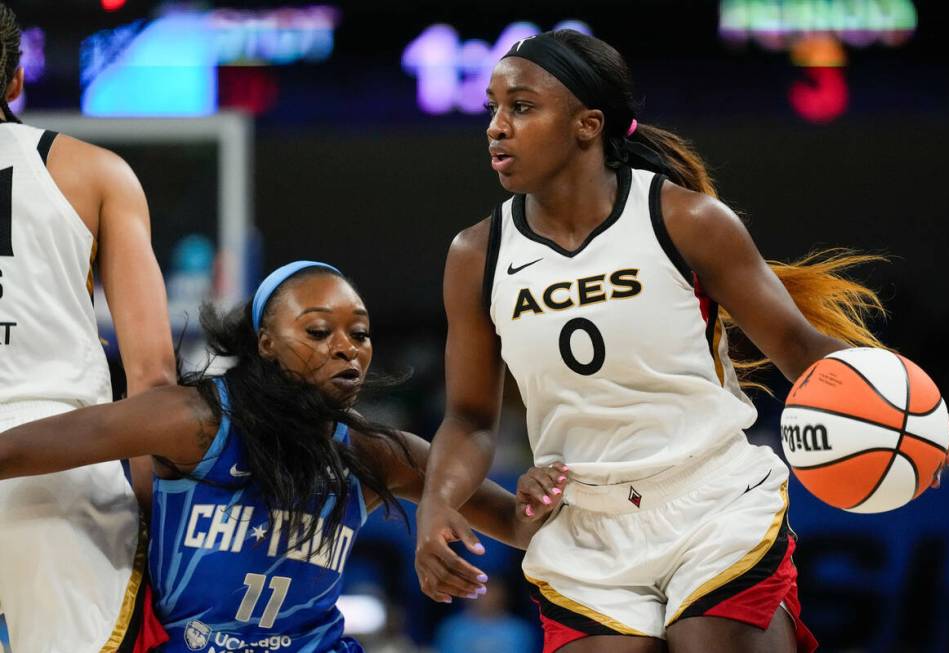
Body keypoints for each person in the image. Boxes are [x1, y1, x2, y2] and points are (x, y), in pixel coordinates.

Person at [413, 29, 949, 653]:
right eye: (493, 108)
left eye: (522, 106)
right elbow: (470, 418)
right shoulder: (475, 255)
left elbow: (798, 347)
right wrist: (437, 507)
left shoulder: (684, 218)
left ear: (588, 125)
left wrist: (912, 408)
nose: (497, 127)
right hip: (587, 522)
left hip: (711, 503)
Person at [0, 261, 566, 652]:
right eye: (318, 331)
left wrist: (538, 496)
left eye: (360, 334)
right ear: (265, 342)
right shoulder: (195, 422)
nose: (346, 347)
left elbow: (516, 525)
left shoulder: (374, 452)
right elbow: (24, 447)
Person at [0, 4, 175, 651]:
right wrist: (162, 520)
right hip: (61, 474)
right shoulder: (93, 170)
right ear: (16, 79)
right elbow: (154, 376)